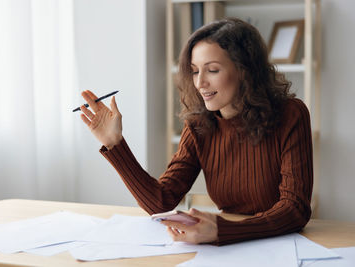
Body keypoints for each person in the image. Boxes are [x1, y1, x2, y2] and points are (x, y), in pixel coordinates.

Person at [79, 17, 313, 246]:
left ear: (244, 70)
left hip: (280, 244)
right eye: (194, 71)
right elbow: (162, 202)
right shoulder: (199, 125)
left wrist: (222, 231)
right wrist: (114, 143)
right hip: (233, 247)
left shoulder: (291, 114)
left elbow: (295, 209)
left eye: (212, 70)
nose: (200, 83)